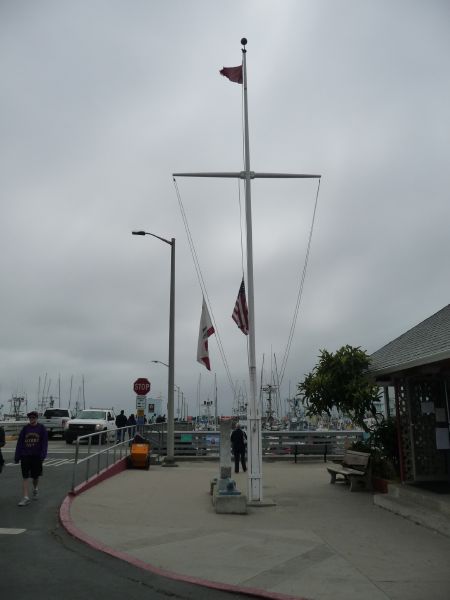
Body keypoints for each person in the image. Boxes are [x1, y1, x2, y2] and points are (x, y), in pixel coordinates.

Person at [15, 411, 48, 506]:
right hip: (25, 455)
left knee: (35, 476)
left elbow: (44, 443)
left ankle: (35, 488)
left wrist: (43, 455)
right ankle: (25, 497)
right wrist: (17, 456)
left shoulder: (41, 429)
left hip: (36, 456)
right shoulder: (25, 429)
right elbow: (20, 443)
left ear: (36, 418)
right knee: (25, 477)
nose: (32, 419)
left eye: (33, 417)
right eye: (30, 418)